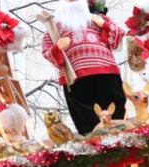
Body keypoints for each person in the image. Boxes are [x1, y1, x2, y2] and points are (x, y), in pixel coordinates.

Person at [39, 0, 127, 135]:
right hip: (75, 77)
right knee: (86, 121)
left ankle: (122, 140)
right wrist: (58, 47)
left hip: (106, 71)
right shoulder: (55, 26)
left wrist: (104, 24)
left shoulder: (98, 18)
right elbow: (46, 51)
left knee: (115, 112)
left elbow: (119, 36)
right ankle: (93, 147)